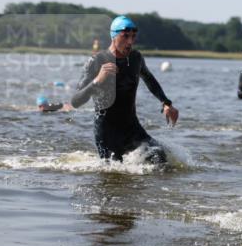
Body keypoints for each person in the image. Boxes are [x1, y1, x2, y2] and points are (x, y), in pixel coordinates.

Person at [71, 15, 179, 163]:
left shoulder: (136, 58)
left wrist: (166, 103)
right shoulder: (96, 61)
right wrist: (97, 81)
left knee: (160, 157)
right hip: (107, 133)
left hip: (132, 128)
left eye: (133, 36)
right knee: (113, 171)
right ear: (114, 36)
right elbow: (76, 101)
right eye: (125, 36)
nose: (130, 41)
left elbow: (150, 80)